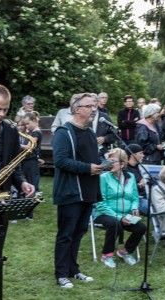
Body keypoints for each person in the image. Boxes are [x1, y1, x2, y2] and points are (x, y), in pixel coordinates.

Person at [0, 84, 35, 300]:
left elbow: (14, 164)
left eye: (5, 109)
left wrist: (22, 182)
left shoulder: (11, 131)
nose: (1, 114)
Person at [53, 92, 104, 288]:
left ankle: (73, 270)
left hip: (88, 190)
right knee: (66, 234)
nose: (93, 109)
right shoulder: (63, 133)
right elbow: (61, 161)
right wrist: (88, 168)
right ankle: (61, 274)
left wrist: (105, 164)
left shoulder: (90, 132)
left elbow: (92, 158)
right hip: (70, 192)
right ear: (77, 109)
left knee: (79, 232)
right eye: (90, 106)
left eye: (95, 106)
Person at [94, 148, 146, 268]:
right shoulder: (103, 178)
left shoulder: (131, 177)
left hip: (125, 215)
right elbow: (100, 203)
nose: (110, 163)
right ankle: (107, 255)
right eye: (109, 161)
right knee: (114, 223)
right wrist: (119, 217)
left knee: (141, 227)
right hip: (104, 214)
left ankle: (125, 252)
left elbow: (134, 197)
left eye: (113, 161)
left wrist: (134, 208)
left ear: (122, 164)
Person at [91, 93, 116, 159]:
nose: (92, 104)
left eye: (94, 101)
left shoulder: (105, 117)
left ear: (97, 102)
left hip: (101, 153)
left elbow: (114, 134)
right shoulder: (82, 117)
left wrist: (105, 139)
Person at [126, 144, 148, 216]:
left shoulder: (141, 167)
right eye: (140, 153)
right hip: (136, 199)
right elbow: (126, 189)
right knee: (152, 208)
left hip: (147, 195)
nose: (143, 155)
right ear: (133, 155)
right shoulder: (125, 170)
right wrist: (140, 185)